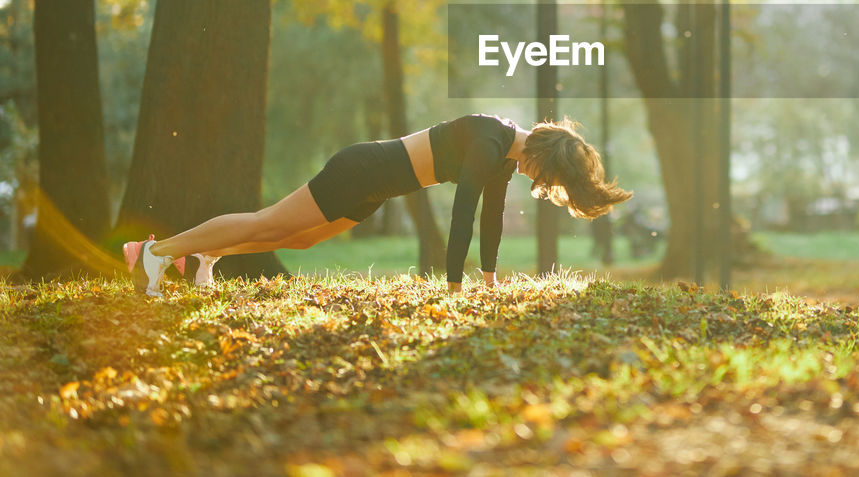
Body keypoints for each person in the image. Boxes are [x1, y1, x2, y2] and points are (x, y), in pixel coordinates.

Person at [123, 115, 632, 297]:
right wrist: (455, 286)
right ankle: (159, 252)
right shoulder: (489, 144)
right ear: (543, 153)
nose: (540, 183)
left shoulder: (504, 158)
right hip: (361, 170)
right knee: (270, 224)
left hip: (377, 189)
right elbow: (462, 215)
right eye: (549, 175)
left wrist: (490, 278)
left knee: (296, 238)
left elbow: (491, 220)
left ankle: (210, 255)